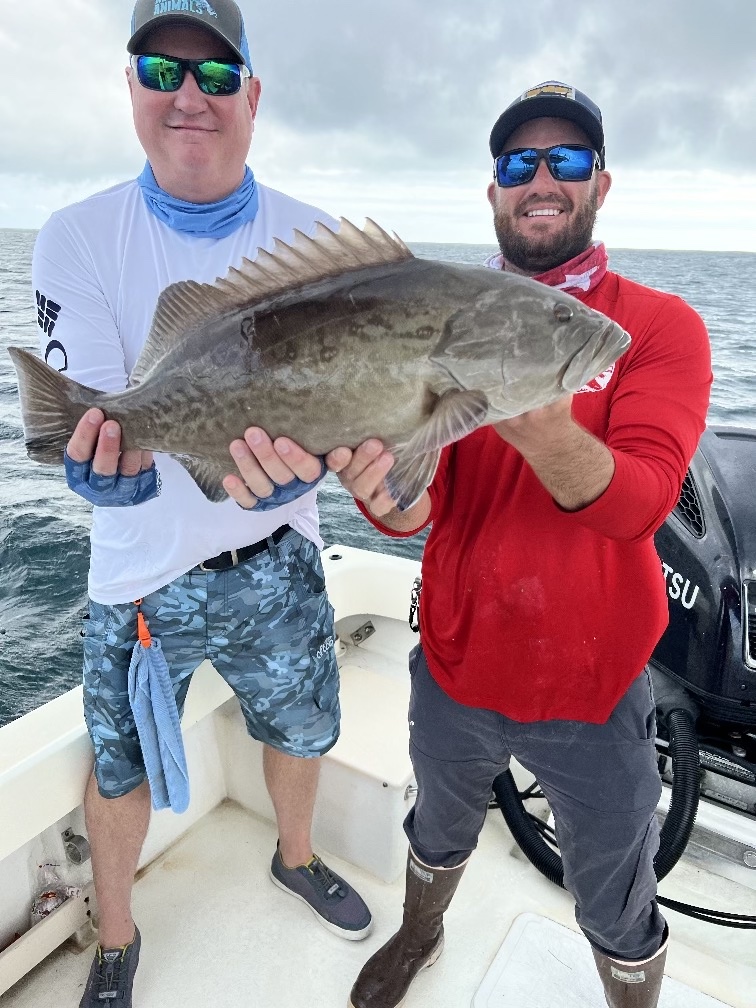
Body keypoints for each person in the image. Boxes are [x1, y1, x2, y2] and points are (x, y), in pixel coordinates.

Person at [327, 81, 713, 1008]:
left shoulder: (656, 329)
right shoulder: (446, 320)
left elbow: (642, 502)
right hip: (456, 666)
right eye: (518, 163)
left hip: (596, 685)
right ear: (494, 191)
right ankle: (420, 938)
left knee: (616, 882)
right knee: (437, 829)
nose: (541, 178)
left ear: (600, 184)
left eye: (566, 160)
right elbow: (421, 508)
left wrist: (536, 417)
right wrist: (382, 491)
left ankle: (629, 988)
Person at [32, 3, 372, 1005]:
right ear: (130, 86)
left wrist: (324, 459)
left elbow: (346, 401)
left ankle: (296, 857)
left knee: (303, 729)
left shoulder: (316, 235)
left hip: (279, 552)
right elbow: (88, 439)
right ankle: (116, 935)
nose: (190, 94)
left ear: (253, 98)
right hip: (139, 575)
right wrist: (107, 466)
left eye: (218, 76)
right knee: (120, 762)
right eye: (162, 68)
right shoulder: (77, 236)